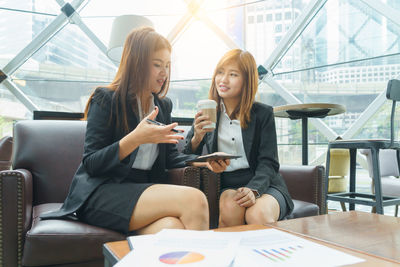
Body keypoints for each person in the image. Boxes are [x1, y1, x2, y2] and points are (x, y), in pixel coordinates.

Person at [41, 27, 229, 234]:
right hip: (101, 192)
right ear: (137, 64)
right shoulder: (105, 99)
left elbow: (169, 159)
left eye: (167, 66)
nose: (164, 73)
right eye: (157, 65)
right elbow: (91, 163)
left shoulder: (163, 106)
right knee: (195, 200)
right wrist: (135, 139)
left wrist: (205, 160)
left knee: (172, 229)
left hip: (141, 191)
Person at [184, 49, 294, 227]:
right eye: (220, 72)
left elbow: (269, 162)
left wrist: (254, 189)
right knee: (230, 207)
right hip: (228, 185)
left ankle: (270, 254)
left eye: (233, 74)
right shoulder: (209, 112)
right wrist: (197, 137)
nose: (223, 80)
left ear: (246, 81)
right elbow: (186, 155)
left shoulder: (263, 114)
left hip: (265, 186)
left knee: (257, 215)